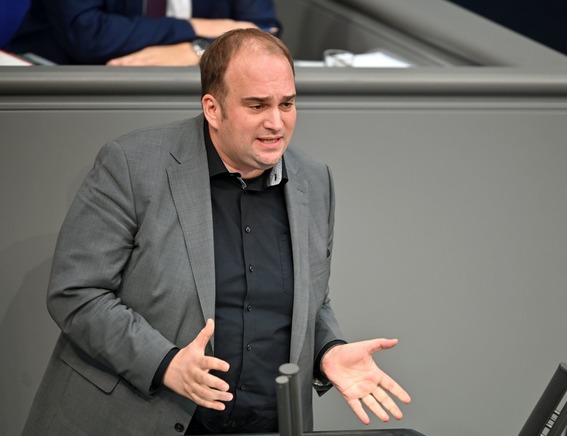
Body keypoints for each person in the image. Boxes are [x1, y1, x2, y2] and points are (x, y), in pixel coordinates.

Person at [22, 28, 411, 435]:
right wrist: (165, 363)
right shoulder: (132, 165)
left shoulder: (315, 181)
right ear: (213, 108)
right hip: (133, 419)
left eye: (287, 103)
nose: (276, 122)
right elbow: (77, 293)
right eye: (257, 105)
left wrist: (327, 350)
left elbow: (312, 298)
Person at [2, 0, 280, 65]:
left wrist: (197, 50)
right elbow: (87, 34)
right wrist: (196, 28)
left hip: (186, 87)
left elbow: (263, 34)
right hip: (62, 80)